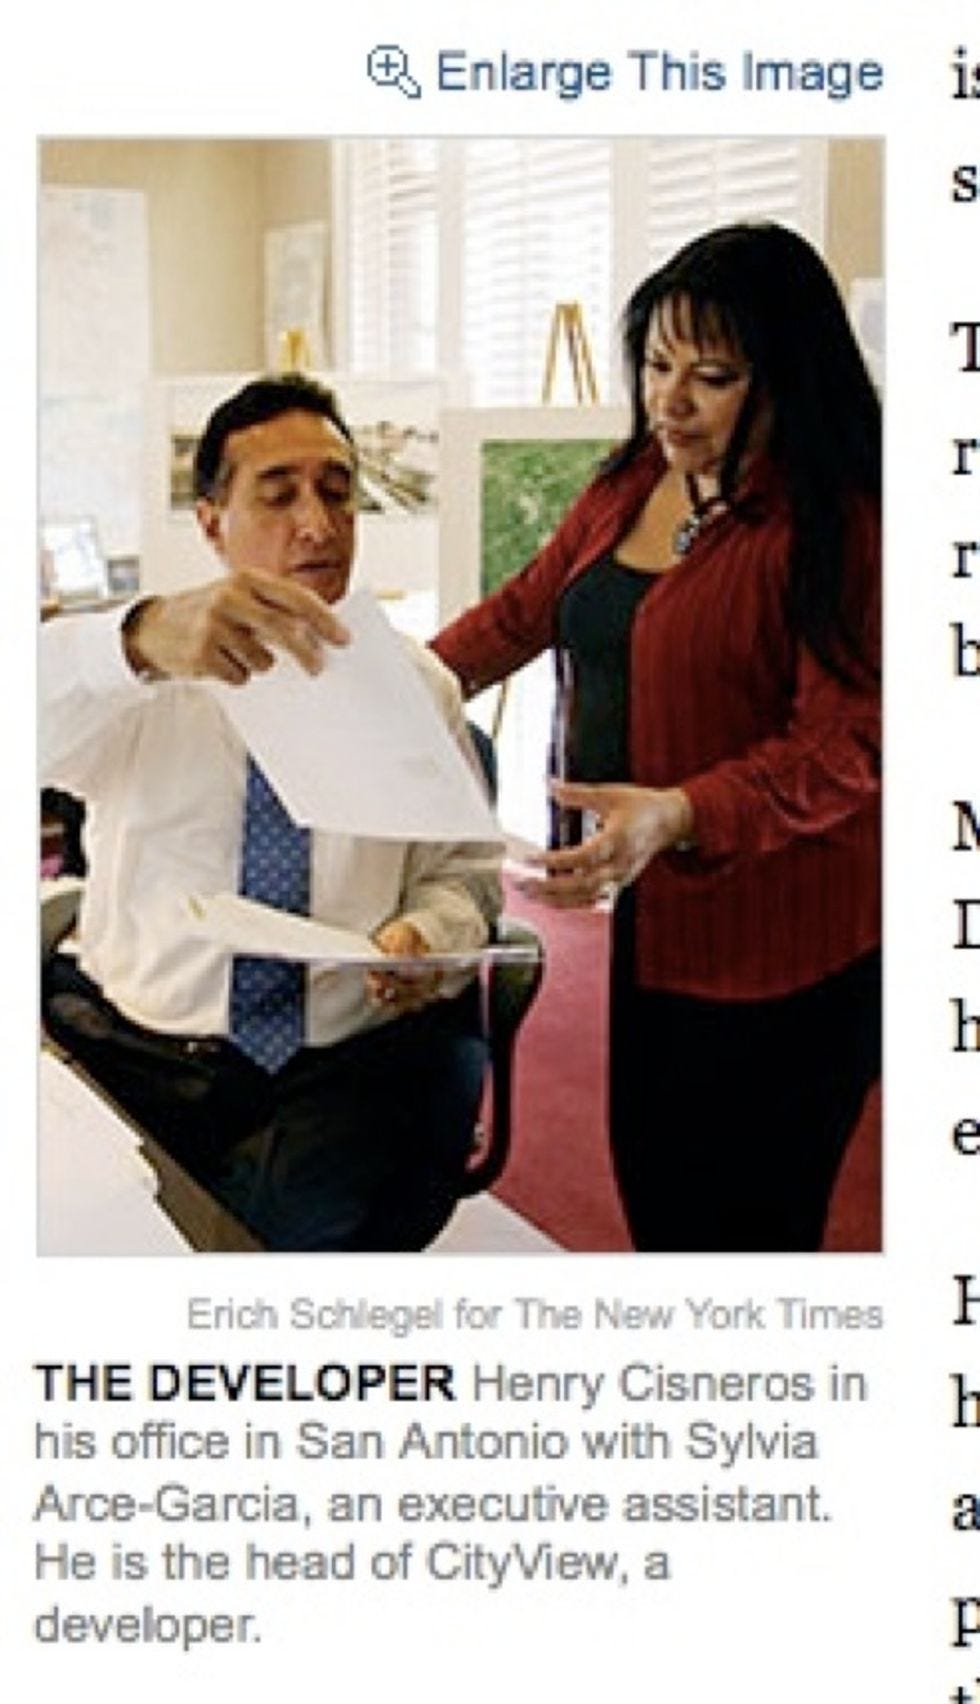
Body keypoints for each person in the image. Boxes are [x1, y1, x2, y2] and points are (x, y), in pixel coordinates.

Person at [432, 222, 881, 1254]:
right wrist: (389, 689)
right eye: (656, 364)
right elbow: (519, 615)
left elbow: (847, 740)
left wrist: (679, 812)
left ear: (787, 379)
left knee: (748, 1238)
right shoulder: (633, 480)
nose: (669, 401)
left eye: (711, 378)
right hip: (658, 920)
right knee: (660, 1209)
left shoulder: (842, 520)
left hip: (791, 944)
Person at [41, 374, 501, 1252]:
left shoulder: (419, 685)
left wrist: (426, 933)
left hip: (339, 1064)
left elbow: (466, 876)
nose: (317, 525)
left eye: (337, 492)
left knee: (270, 1257)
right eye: (279, 494)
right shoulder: (140, 678)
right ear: (212, 521)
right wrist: (132, 639)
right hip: (140, 1046)